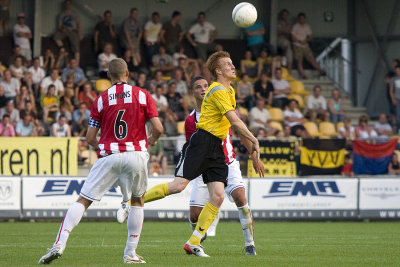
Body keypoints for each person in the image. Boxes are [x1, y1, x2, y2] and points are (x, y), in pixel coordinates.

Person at [129, 51, 264, 257]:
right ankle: (132, 202)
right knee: (178, 185)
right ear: (218, 71)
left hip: (218, 148)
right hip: (203, 142)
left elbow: (232, 125)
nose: (233, 67)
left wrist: (252, 149)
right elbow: (235, 121)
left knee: (218, 196)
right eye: (228, 64)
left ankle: (194, 242)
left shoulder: (230, 92)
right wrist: (254, 140)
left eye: (232, 63)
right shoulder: (217, 89)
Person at [38, 58, 163, 264]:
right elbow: (158, 128)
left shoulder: (101, 100)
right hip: (136, 155)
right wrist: (148, 142)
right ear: (128, 74)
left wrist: (103, 147)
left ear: (108, 77)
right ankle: (130, 254)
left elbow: (89, 138)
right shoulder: (142, 95)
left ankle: (59, 244)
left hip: (109, 155)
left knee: (83, 200)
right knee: (137, 200)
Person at [291, 13, 325, 79]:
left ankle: (321, 71)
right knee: (299, 60)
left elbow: (310, 37)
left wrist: (306, 41)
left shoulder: (307, 26)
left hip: (305, 45)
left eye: (303, 18)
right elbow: (292, 37)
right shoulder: (295, 26)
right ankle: (303, 75)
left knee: (312, 59)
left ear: (305, 19)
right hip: (297, 45)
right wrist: (299, 41)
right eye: (300, 18)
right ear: (298, 19)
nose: (302, 20)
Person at [389, 65, 400, 131]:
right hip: (397, 98)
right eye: (397, 70)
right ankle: (398, 128)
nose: (398, 72)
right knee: (397, 115)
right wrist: (393, 98)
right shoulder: (393, 79)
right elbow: (391, 90)